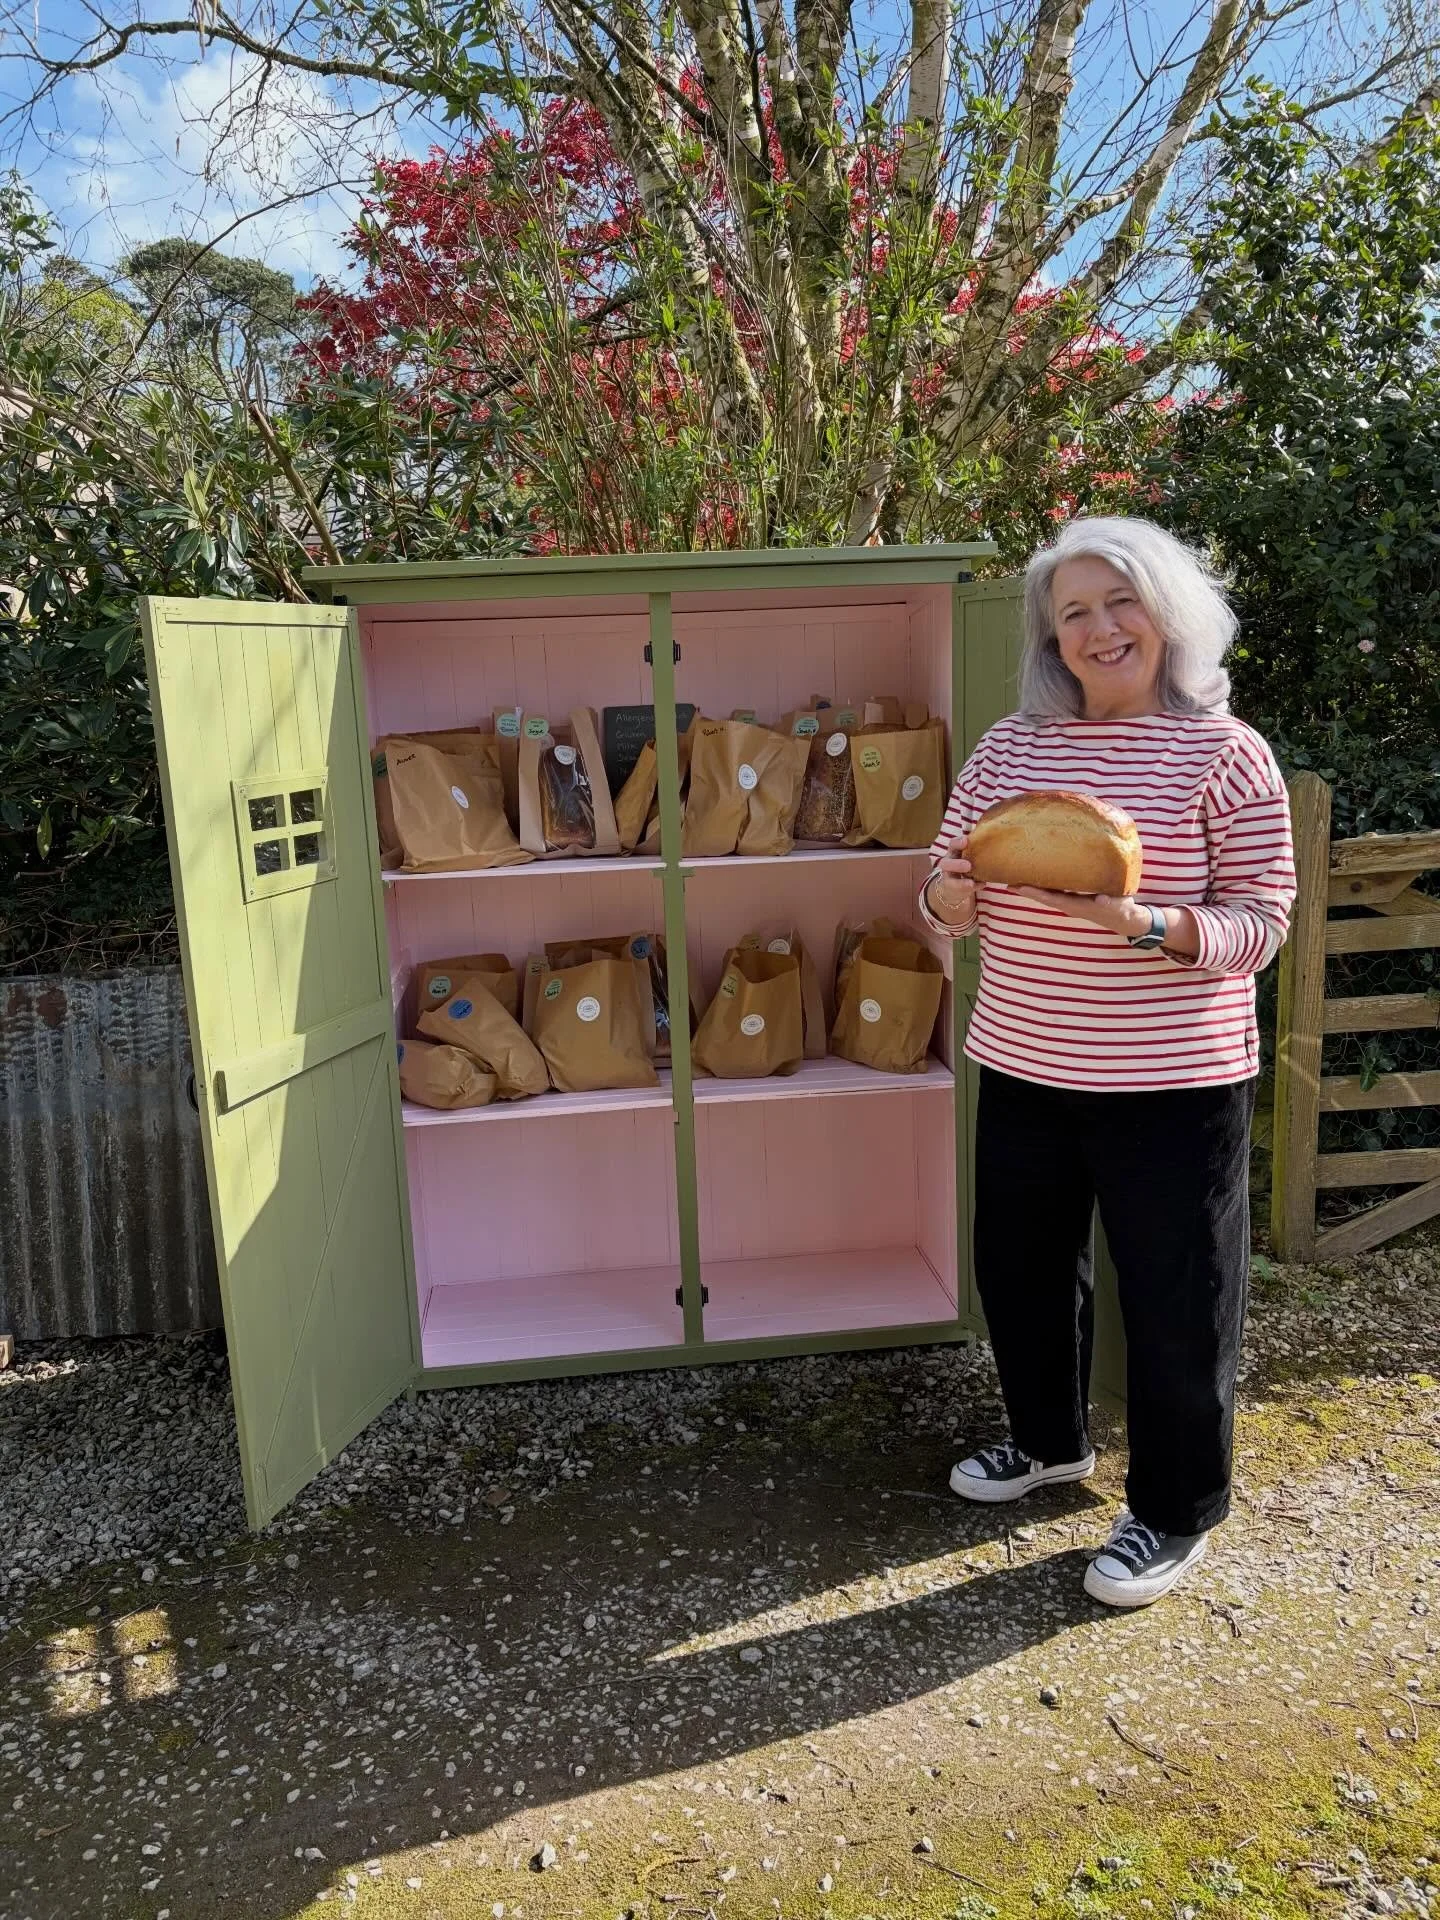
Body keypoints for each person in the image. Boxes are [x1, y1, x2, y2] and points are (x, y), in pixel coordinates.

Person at [920, 516, 1295, 1609]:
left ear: (1168, 611)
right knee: (1022, 1273)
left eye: (1120, 601)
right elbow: (940, 891)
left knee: (1180, 1297)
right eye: (1074, 611)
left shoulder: (1227, 752)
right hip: (1024, 1060)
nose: (1099, 628)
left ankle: (1176, 1511)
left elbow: (1262, 924)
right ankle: (1048, 1444)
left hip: (1175, 1082)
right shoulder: (1010, 748)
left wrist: (1147, 924)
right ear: (1052, 636)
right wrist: (945, 895)